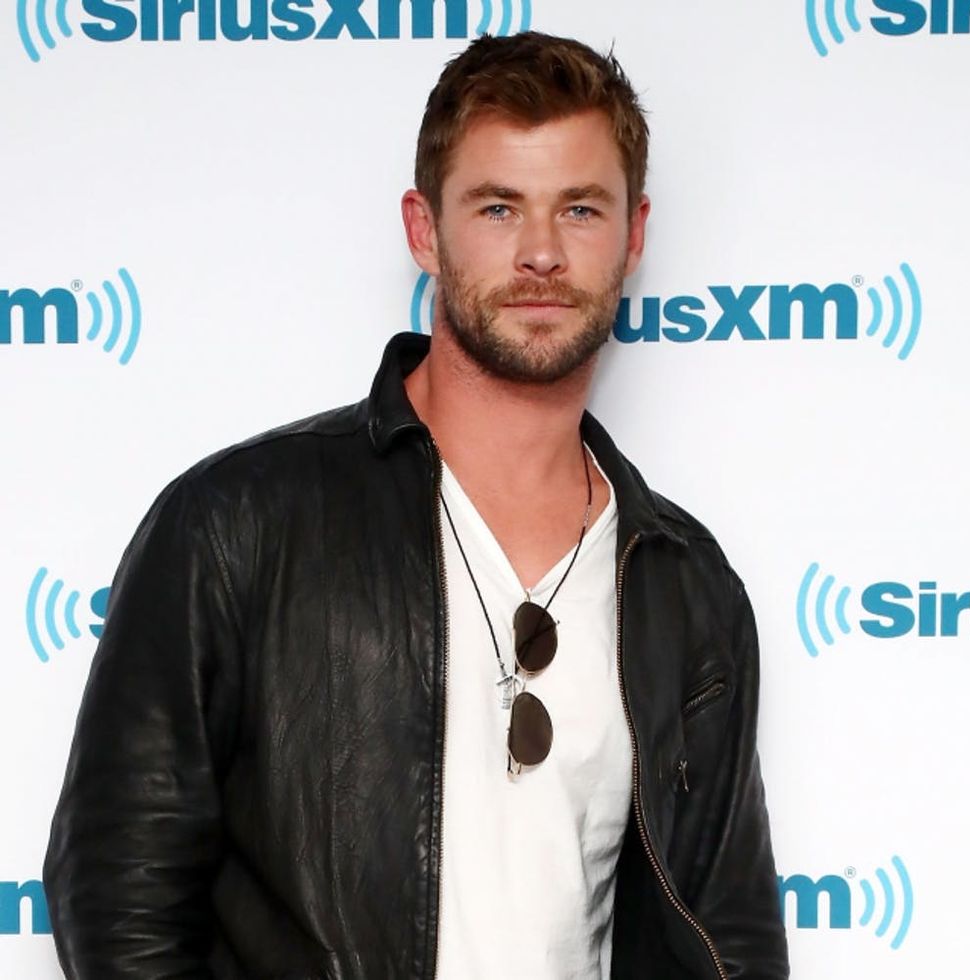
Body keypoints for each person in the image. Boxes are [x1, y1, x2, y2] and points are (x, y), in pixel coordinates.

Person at [44, 31, 789, 980]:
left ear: (634, 234)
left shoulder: (687, 586)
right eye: (498, 207)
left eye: (580, 209)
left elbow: (728, 939)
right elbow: (119, 898)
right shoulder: (237, 525)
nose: (542, 253)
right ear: (423, 229)